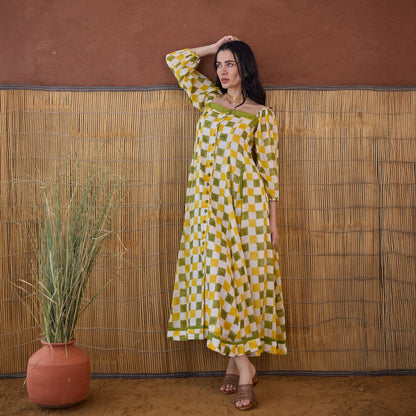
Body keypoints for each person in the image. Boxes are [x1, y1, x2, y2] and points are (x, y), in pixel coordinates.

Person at [166, 35, 286, 411]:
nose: (221, 71)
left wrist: (272, 223)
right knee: (218, 280)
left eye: (229, 63)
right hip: (208, 208)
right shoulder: (207, 99)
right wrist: (212, 47)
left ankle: (236, 367)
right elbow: (175, 61)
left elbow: (268, 173)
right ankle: (245, 365)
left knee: (243, 282)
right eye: (218, 65)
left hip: (247, 208)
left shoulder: (261, 115)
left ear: (244, 68)